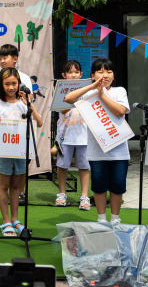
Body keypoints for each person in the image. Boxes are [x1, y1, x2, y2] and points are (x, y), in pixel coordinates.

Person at [64, 58, 130, 225]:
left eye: (109, 71)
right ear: (92, 75)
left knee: (117, 186)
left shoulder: (119, 91)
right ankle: (101, 219)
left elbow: (120, 111)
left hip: (119, 150)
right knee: (99, 185)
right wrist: (93, 87)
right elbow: (68, 99)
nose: (105, 75)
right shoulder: (87, 93)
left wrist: (102, 95)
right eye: (100, 72)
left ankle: (115, 219)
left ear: (114, 75)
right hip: (96, 151)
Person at [0, 67, 43, 236]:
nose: (11, 87)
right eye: (7, 84)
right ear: (1, 85)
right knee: (3, 185)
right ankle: (5, 221)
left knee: (16, 186)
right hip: (3, 151)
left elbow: (39, 123)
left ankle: (15, 219)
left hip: (20, 150)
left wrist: (29, 103)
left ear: (19, 84)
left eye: (14, 83)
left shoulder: (23, 104)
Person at [0, 44, 31, 204]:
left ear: (15, 59)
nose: (2, 61)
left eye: (5, 57)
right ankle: (0, 189)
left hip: (19, 128)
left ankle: (20, 192)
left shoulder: (24, 78)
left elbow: (29, 100)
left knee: (21, 160)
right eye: (0, 58)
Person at [54, 60, 91, 210]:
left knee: (84, 166)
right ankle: (62, 193)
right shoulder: (60, 90)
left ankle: (84, 196)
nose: (74, 75)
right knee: (62, 165)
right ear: (64, 75)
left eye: (76, 72)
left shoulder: (88, 91)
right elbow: (62, 110)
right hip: (65, 136)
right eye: (70, 72)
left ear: (81, 74)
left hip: (84, 136)